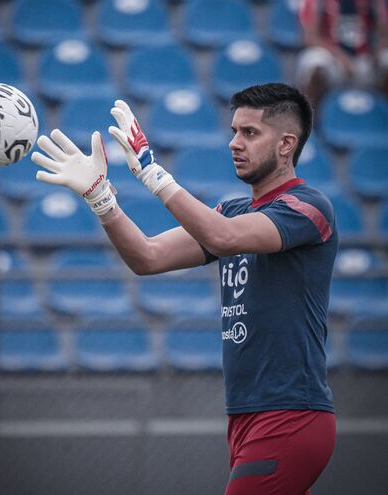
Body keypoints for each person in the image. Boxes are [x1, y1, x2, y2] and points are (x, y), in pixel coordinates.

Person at [31, 82, 337, 495]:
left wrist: (154, 174)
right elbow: (148, 257)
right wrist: (101, 197)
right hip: (246, 415)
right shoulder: (233, 209)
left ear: (286, 144)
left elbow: (225, 238)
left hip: (291, 415)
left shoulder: (308, 207)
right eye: (234, 131)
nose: (234, 143)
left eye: (250, 133)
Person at [296, 0, 388, 111]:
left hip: (366, 58)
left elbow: (384, 32)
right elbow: (309, 36)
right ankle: (310, 122)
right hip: (332, 58)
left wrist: (374, 54)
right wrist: (340, 56)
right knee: (314, 62)